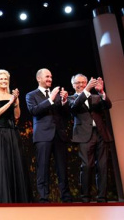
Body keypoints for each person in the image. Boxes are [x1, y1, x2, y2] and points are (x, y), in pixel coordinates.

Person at [25, 68, 72, 203]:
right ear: (38, 79)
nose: (50, 79)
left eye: (51, 77)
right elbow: (34, 111)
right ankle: (44, 197)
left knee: (62, 168)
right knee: (43, 167)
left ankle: (66, 197)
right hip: (43, 136)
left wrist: (64, 101)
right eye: (47, 77)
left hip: (59, 135)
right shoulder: (31, 95)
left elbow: (66, 115)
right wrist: (51, 99)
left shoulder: (57, 95)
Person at [0, 69, 32, 203]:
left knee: (15, 164)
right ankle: (2, 199)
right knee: (1, 165)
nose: (3, 81)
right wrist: (10, 102)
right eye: (1, 79)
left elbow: (17, 115)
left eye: (6, 79)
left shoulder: (12, 96)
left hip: (12, 132)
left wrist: (16, 101)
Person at [68, 74, 112, 203]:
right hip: (84, 135)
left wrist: (102, 92)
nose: (81, 85)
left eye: (84, 82)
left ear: (87, 82)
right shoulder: (70, 98)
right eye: (78, 83)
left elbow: (108, 105)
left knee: (103, 166)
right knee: (86, 165)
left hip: (100, 134)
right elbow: (74, 107)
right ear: (73, 85)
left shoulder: (96, 97)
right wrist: (86, 90)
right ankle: (85, 197)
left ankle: (102, 197)